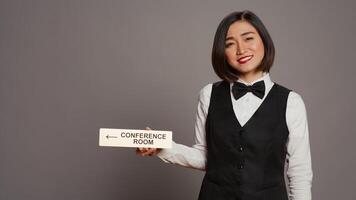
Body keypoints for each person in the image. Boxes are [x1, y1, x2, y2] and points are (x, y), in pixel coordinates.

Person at [136, 10, 313, 200]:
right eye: (230, 44)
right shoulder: (208, 94)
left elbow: (300, 173)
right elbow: (206, 156)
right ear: (222, 51)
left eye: (248, 39)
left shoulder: (291, 102)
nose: (241, 49)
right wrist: (163, 147)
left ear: (264, 41)